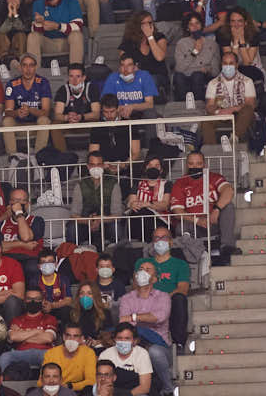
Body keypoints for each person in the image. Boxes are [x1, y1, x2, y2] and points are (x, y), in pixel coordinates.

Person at [169, 150, 235, 258]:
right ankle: (186, 253)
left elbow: (229, 191)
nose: (195, 167)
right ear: (187, 165)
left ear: (204, 164)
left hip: (213, 221)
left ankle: (226, 247)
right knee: (180, 226)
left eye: (198, 163)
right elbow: (177, 211)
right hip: (193, 223)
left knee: (228, 207)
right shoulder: (180, 183)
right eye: (191, 164)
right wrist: (197, 220)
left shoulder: (214, 177)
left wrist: (216, 209)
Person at [119, 263, 174, 392]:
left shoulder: (163, 296)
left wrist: (133, 317)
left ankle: (168, 388)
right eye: (140, 269)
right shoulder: (127, 298)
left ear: (154, 278)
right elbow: (124, 323)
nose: (143, 272)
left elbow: (159, 317)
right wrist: (144, 318)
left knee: (154, 352)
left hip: (158, 344)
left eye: (148, 270)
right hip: (134, 342)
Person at [203, 49, 256, 150]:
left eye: (231, 63)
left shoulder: (247, 81)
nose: (228, 66)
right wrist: (218, 111)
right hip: (221, 116)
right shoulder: (213, 83)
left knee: (248, 110)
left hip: (240, 117)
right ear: (221, 65)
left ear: (236, 65)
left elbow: (251, 104)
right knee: (206, 121)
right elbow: (209, 106)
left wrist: (233, 109)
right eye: (225, 63)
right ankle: (211, 151)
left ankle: (233, 139)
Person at [2, 53, 53, 156]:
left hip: (36, 124)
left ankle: (39, 156)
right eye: (24, 65)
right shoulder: (11, 84)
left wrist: (30, 110)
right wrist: (17, 113)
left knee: (44, 120)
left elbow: (46, 112)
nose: (28, 69)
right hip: (18, 124)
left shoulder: (43, 82)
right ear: (20, 67)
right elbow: (7, 112)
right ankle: (13, 157)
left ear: (36, 67)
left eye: (31, 65)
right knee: (7, 121)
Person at [27, 0, 85, 65]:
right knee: (32, 36)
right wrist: (39, 24)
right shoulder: (38, 4)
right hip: (48, 43)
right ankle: (35, 76)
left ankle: (76, 72)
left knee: (76, 35)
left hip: (67, 42)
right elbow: (33, 29)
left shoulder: (71, 1)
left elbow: (78, 26)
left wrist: (57, 26)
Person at [97, 324, 152, 396]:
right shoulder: (105, 355)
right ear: (114, 339)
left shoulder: (142, 354)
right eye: (119, 338)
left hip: (133, 393)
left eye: (127, 338)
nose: (123, 341)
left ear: (134, 341)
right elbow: (100, 384)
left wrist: (124, 394)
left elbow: (145, 387)